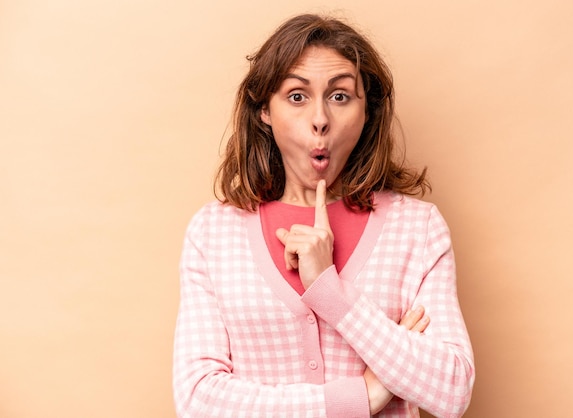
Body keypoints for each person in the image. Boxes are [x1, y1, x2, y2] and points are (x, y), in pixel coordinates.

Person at [173, 13, 474, 417]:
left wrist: (331, 294)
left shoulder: (417, 229)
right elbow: (198, 400)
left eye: (340, 96)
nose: (320, 120)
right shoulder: (213, 233)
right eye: (297, 96)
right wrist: (360, 399)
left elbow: (452, 389)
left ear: (367, 112)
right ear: (264, 110)